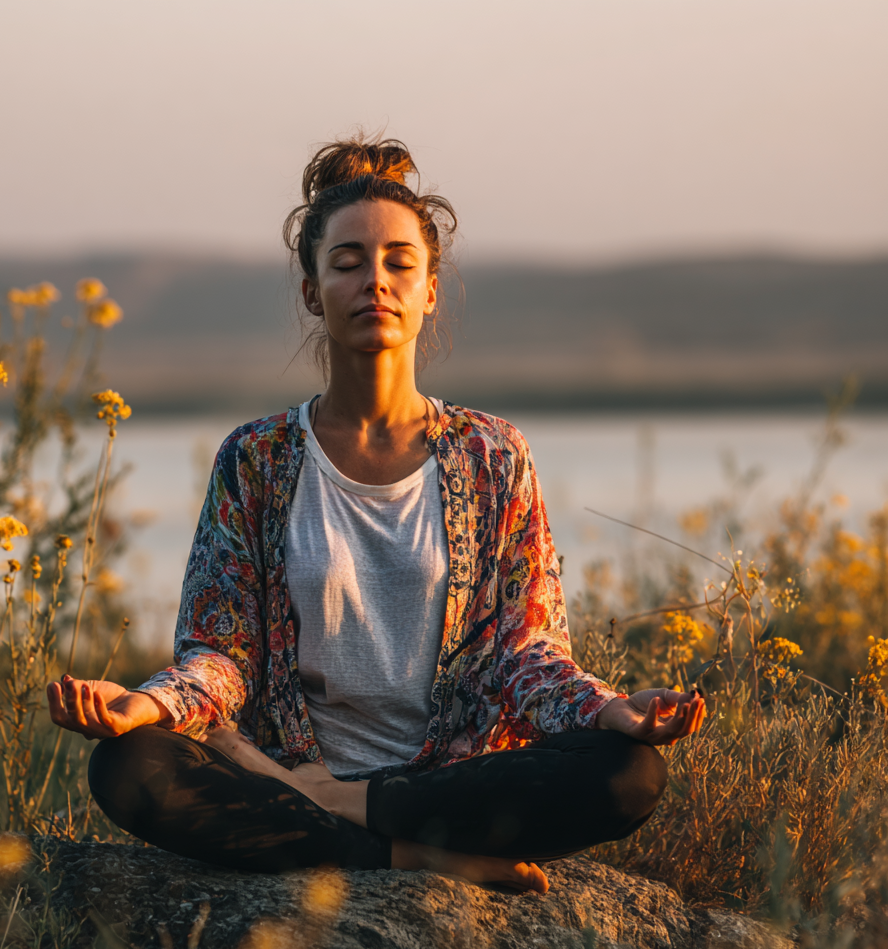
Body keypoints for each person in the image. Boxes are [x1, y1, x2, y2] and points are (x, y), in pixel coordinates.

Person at [47, 136, 705, 893]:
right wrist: (147, 703)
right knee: (129, 766)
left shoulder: (494, 455)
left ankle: (349, 813)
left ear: (430, 289)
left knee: (627, 773)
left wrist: (609, 711)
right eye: (348, 261)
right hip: (290, 775)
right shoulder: (256, 459)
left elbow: (528, 655)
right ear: (310, 289)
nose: (376, 283)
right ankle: (408, 856)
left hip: (446, 787)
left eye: (399, 262)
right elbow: (220, 659)